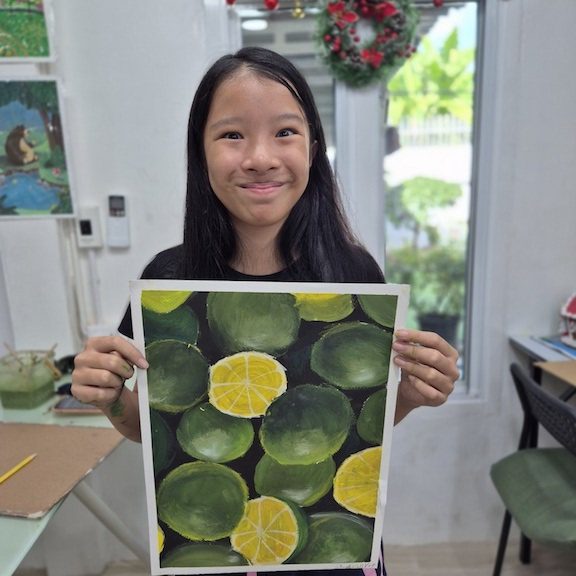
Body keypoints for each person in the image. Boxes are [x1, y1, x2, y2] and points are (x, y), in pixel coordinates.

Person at [72, 47, 459, 575]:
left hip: (331, 553)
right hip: (211, 554)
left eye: (285, 132)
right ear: (200, 152)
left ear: (313, 149)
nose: (260, 157)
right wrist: (112, 398)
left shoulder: (354, 273)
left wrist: (412, 393)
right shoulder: (167, 280)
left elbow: (357, 423)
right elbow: (154, 428)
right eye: (232, 135)